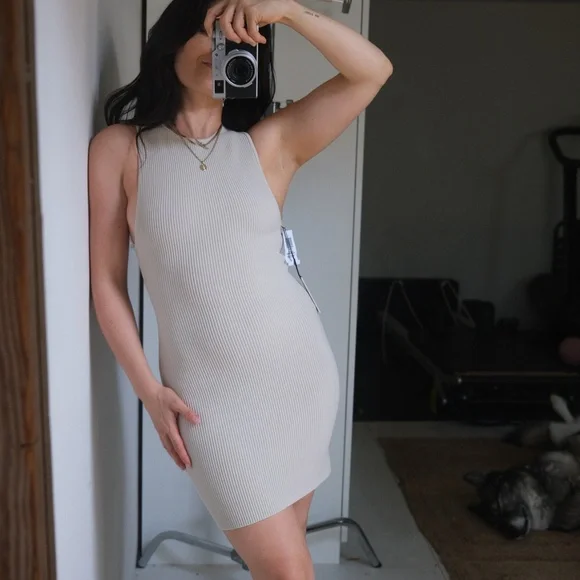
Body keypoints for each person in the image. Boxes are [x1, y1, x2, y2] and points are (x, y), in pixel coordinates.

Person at [88, 0, 392, 578]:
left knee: (280, 568)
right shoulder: (123, 149)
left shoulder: (267, 146)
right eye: (209, 31)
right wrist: (149, 391)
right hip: (211, 405)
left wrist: (289, 12)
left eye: (237, 36)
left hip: (298, 380)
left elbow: (372, 72)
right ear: (171, 41)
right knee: (289, 571)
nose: (220, 46)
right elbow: (106, 281)